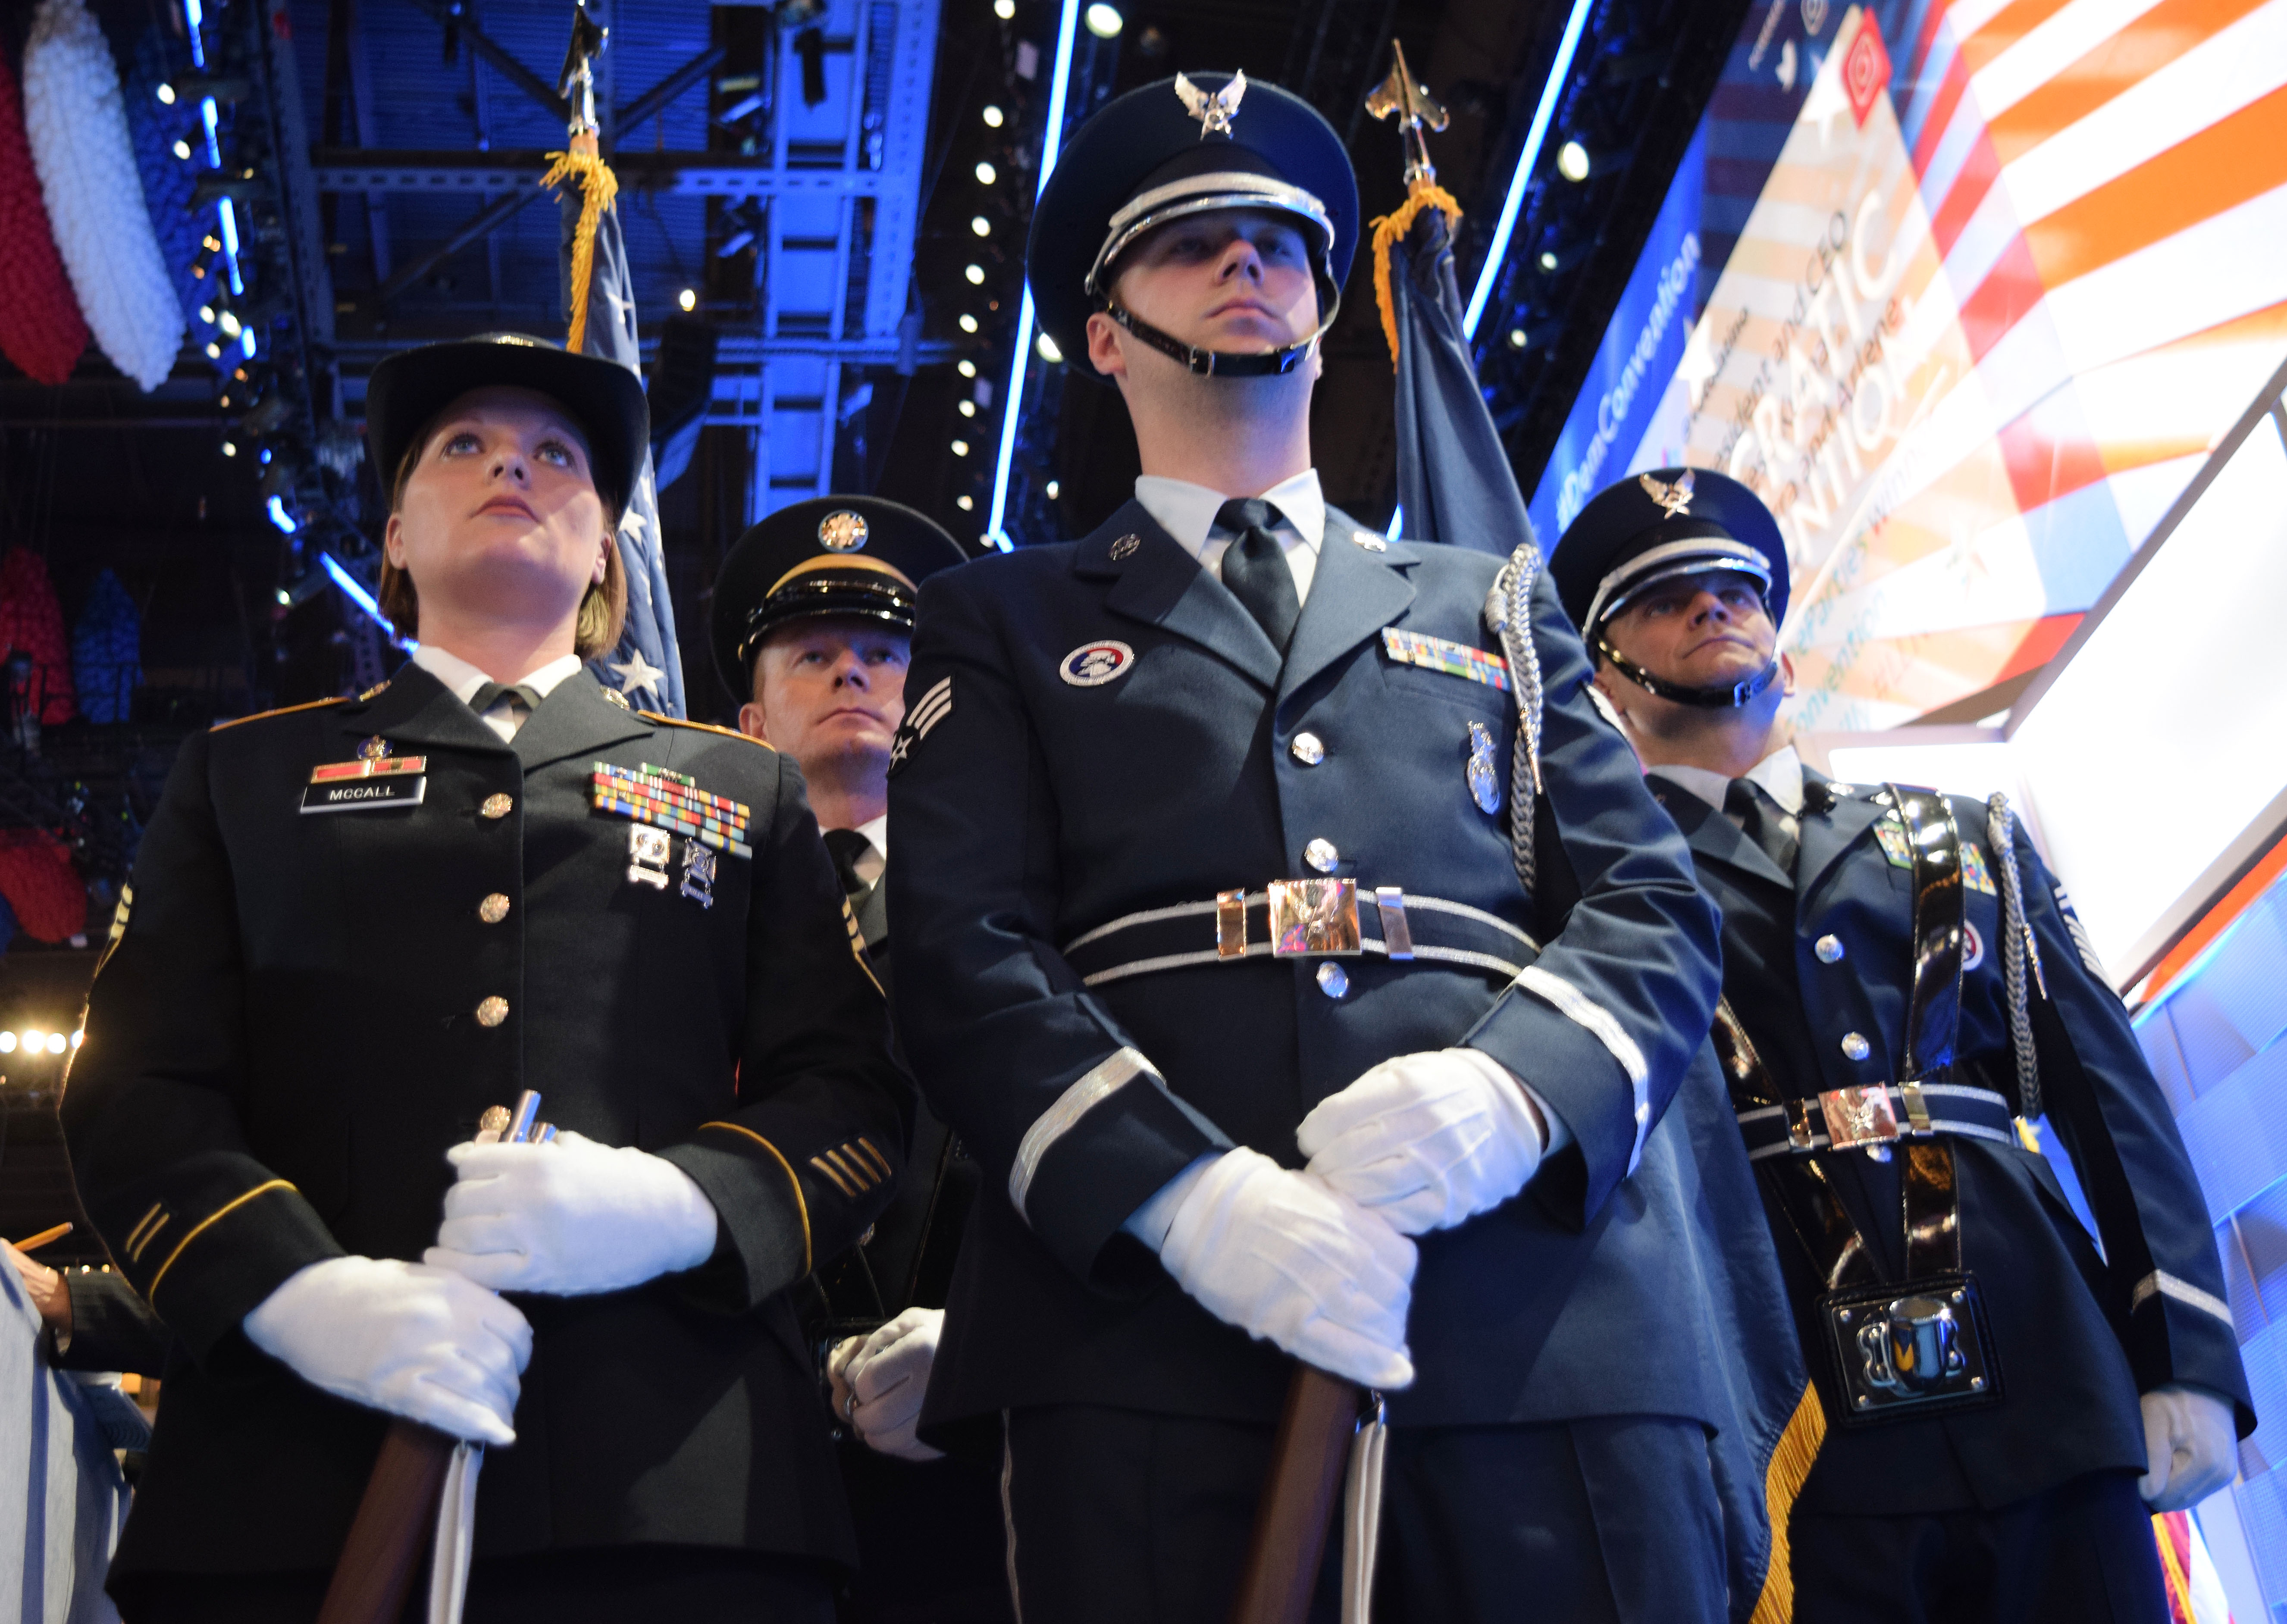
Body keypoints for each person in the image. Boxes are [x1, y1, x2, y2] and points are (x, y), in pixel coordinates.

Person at [887, 72, 1785, 1623]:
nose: (1248, 266)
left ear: (1327, 303)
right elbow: (963, 954)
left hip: (1539, 1315)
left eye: (1281, 243)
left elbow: (1645, 898)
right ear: (1103, 334)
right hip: (1154, 1333)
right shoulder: (1003, 615)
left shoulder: (1492, 604)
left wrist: (1512, 1095)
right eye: (1190, 244)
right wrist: (1184, 1199)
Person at [61, 332, 910, 1623]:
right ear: (394, 532)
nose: (513, 461)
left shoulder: (742, 791)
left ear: (606, 550)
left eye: (557, 455)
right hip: (294, 1485)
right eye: (464, 446)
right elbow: (137, 1090)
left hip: (679, 1489)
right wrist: (299, 1293)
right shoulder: (243, 777)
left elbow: (848, 1089)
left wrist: (680, 1208)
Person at [1551, 467, 2255, 1623]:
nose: (1715, 608)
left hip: (2048, 1373)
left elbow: (2105, 1094)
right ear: (1602, 670)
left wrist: (2184, 1348)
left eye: (1738, 586)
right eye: (1668, 596)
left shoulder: (1953, 832)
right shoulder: (1606, 893)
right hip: (1804, 1424)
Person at [711, 496, 1010, 1623]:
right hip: (747, 1451)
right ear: (750, 722)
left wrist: (983, 1351)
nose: (853, 676)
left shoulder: (1025, 908)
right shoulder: (680, 933)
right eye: (816, 655)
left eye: (887, 655)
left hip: (977, 1460)